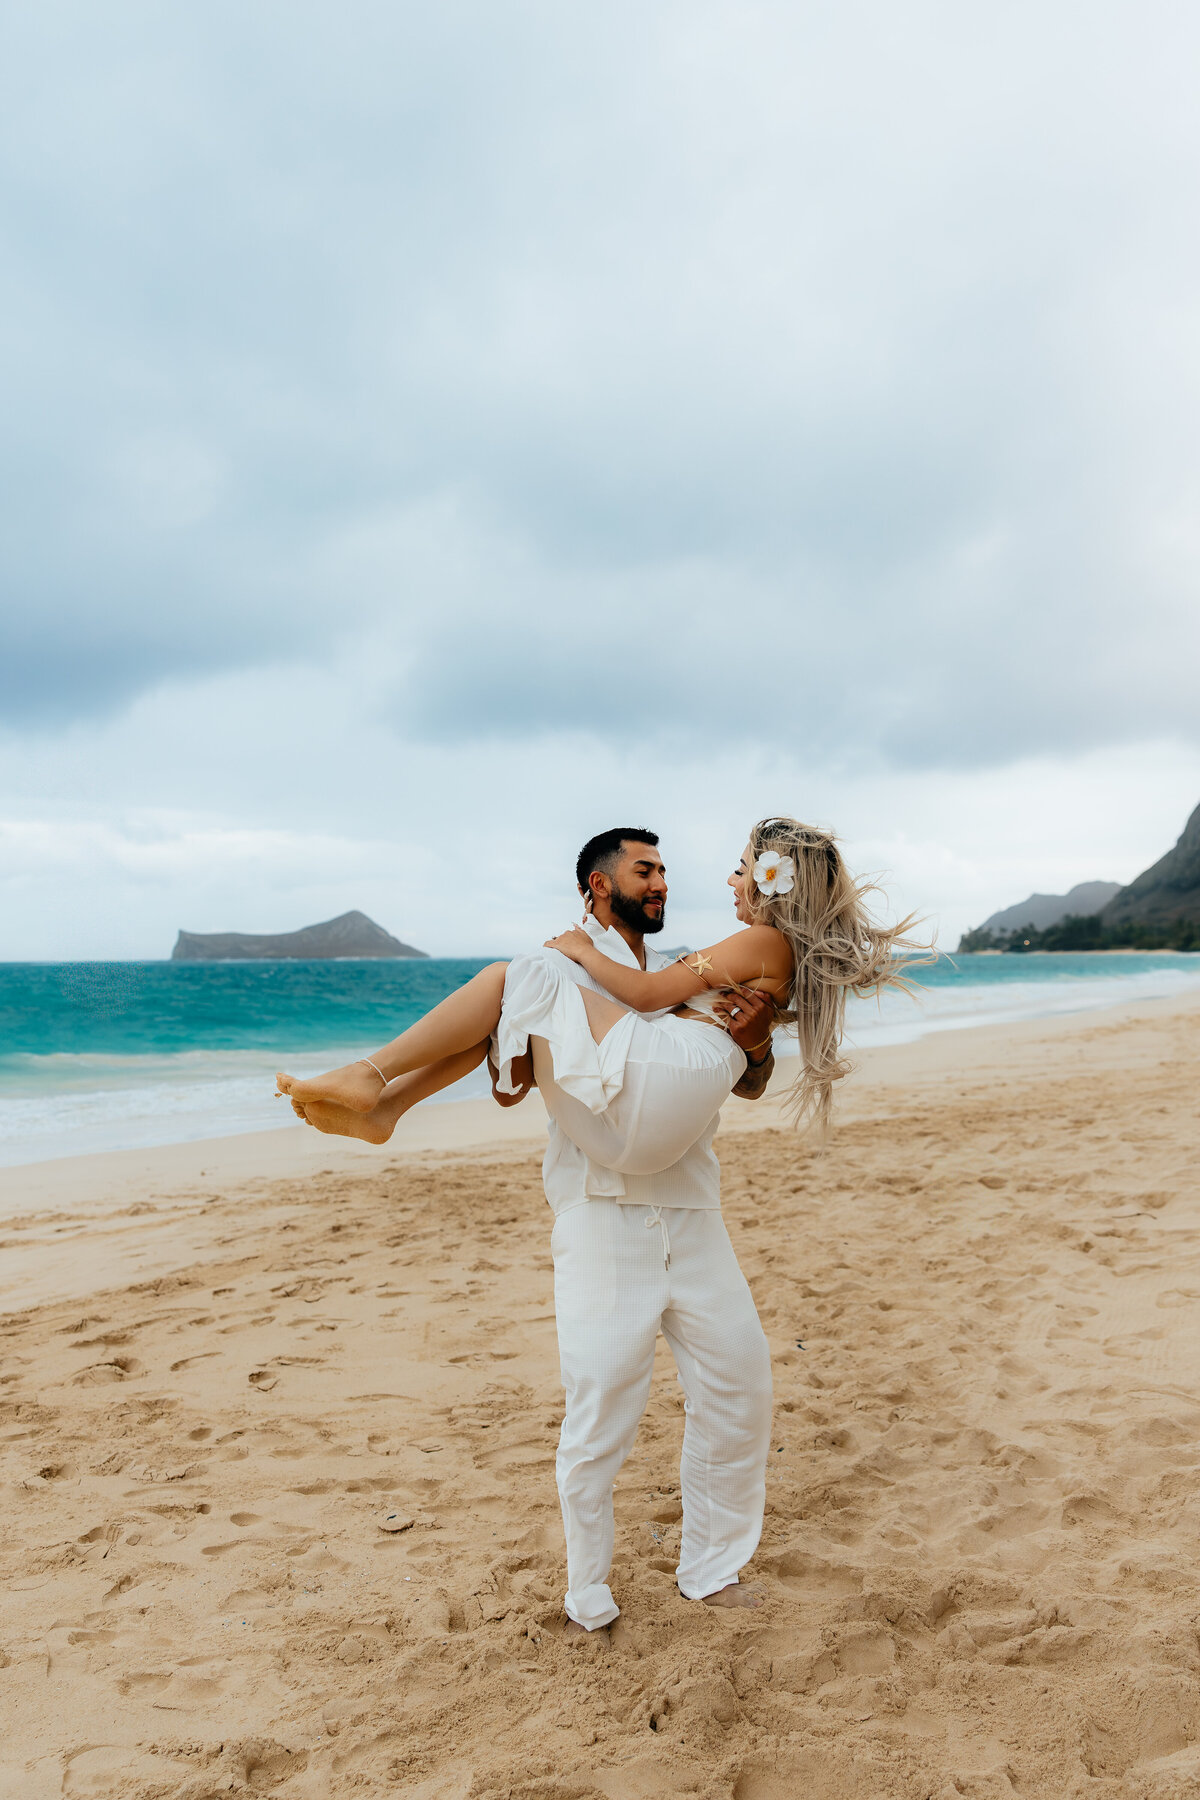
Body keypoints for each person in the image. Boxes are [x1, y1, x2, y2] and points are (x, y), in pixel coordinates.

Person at [276, 818, 918, 1633]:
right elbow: (514, 1082)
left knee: (741, 1382)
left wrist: (753, 1046)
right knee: (602, 1398)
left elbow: (735, 1073)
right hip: (606, 1205)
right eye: (646, 870)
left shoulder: (667, 964)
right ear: (599, 885)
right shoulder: (567, 962)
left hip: (686, 1200)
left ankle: (713, 1570)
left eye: (670, 871)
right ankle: (588, 1586)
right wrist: (552, 1013)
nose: (666, 884)